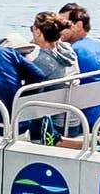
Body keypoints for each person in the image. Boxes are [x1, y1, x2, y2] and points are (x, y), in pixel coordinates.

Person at [58, 3, 100, 129]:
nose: (58, 29)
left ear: (78, 25)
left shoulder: (71, 53)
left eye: (63, 24)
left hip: (83, 119)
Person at [27, 11, 81, 143]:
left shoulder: (43, 62)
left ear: (38, 32)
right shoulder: (68, 50)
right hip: (74, 121)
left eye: (32, 28)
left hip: (55, 126)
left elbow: (27, 92)